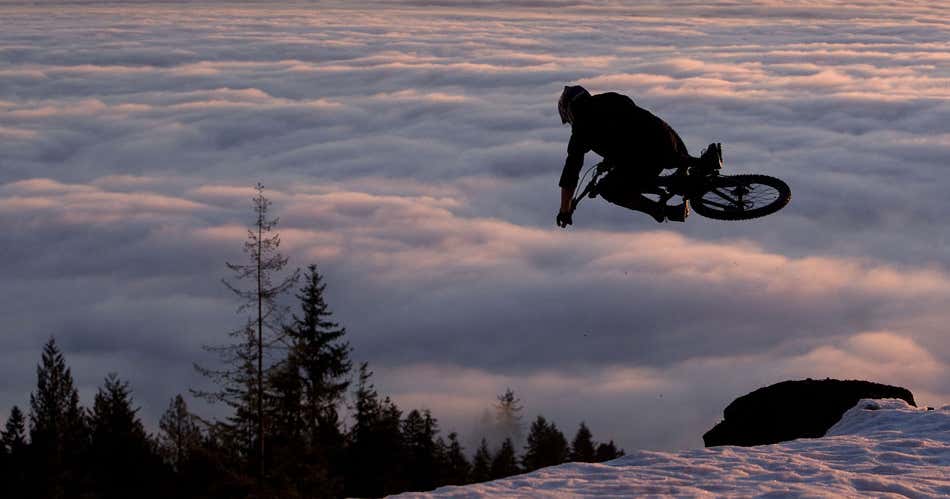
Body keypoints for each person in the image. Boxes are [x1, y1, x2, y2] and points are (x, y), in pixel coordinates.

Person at [555, 85, 720, 227]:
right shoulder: (611, 98)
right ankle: (697, 163)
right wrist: (610, 161)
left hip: (647, 156)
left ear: (570, 111)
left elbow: (571, 173)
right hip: (668, 139)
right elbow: (625, 134)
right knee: (662, 171)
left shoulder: (581, 129)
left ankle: (664, 211)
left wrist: (565, 210)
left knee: (608, 189)